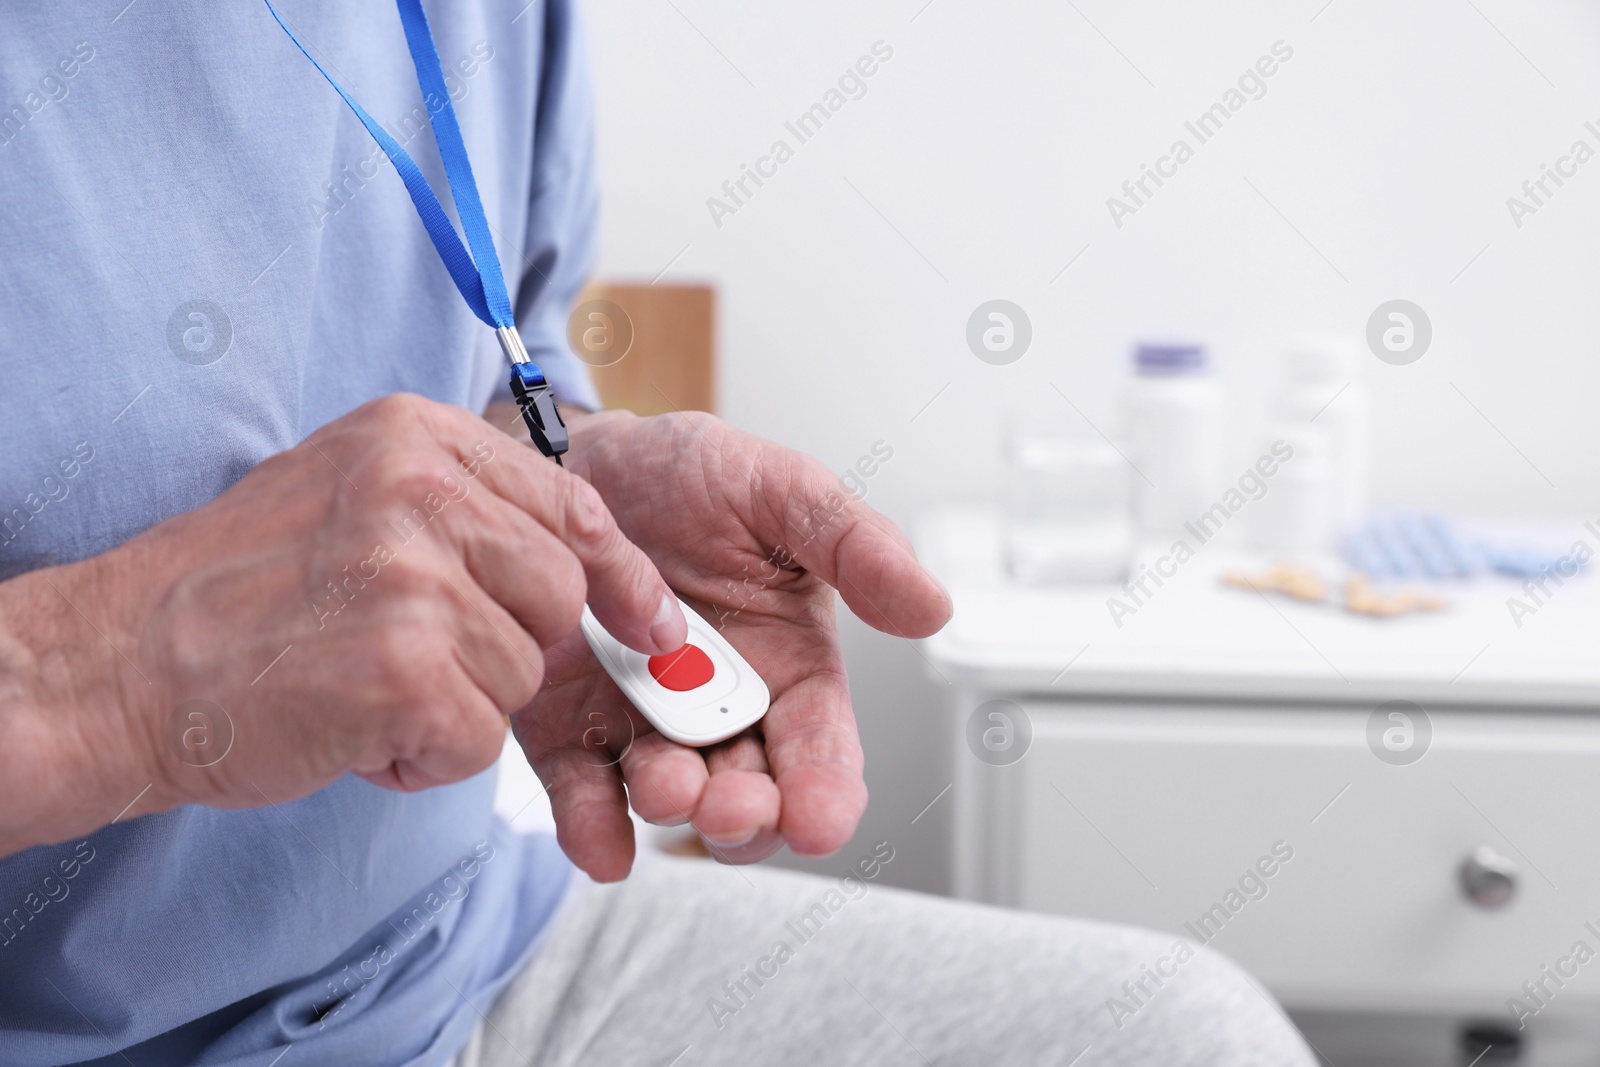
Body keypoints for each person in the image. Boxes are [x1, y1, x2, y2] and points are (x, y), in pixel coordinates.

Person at [0, 2, 1315, 1064]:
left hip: (451, 965)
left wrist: (558, 480)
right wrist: (108, 681)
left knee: (1184, 1033)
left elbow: (500, 361)